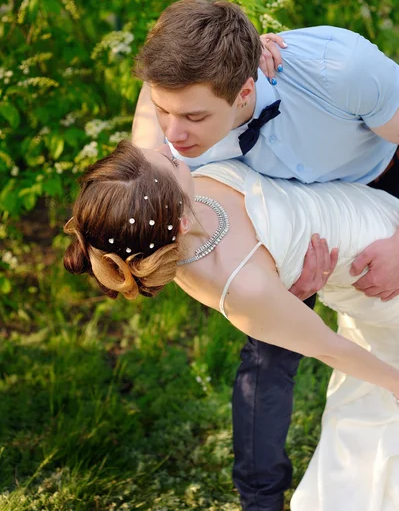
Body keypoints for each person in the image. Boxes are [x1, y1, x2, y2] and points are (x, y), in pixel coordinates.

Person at [131, 0, 399, 511]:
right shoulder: (167, 132)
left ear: (245, 90)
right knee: (268, 346)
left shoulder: (337, 68)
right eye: (164, 111)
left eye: (192, 115)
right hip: (291, 211)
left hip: (384, 173)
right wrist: (284, 286)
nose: (174, 133)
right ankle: (261, 501)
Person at [64, 140, 399, 511]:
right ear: (183, 222)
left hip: (369, 207)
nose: (172, 149)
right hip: (383, 276)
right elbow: (327, 347)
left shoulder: (151, 197)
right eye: (173, 163)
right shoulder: (244, 286)